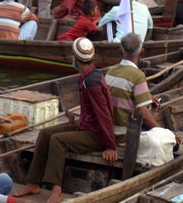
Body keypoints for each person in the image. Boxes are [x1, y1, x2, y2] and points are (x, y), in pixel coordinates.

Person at [13, 38, 117, 202]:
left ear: (76, 59)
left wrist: (110, 145)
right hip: (85, 126)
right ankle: (33, 182)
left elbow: (104, 115)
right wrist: (76, 117)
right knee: (46, 133)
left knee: (58, 140)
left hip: (96, 135)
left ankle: (57, 190)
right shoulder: (86, 76)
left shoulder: (91, 82)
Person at [104, 33, 164, 142]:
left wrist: (147, 96)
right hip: (124, 134)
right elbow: (143, 113)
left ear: (120, 51)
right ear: (142, 52)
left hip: (108, 130)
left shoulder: (110, 71)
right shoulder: (138, 76)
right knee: (174, 144)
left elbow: (123, 91)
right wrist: (163, 131)